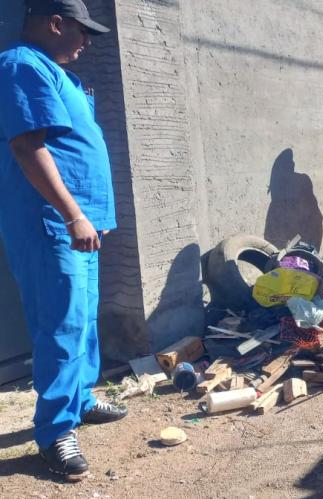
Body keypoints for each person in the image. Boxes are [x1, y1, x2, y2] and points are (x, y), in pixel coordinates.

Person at [0, 0, 126, 481]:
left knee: (83, 318)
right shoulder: (21, 65)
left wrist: (95, 213)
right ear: (55, 23)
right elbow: (28, 145)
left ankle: (81, 398)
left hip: (81, 224)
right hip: (50, 222)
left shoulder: (60, 74)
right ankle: (55, 430)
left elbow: (76, 149)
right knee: (60, 324)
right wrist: (73, 214)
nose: (86, 42)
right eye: (81, 32)